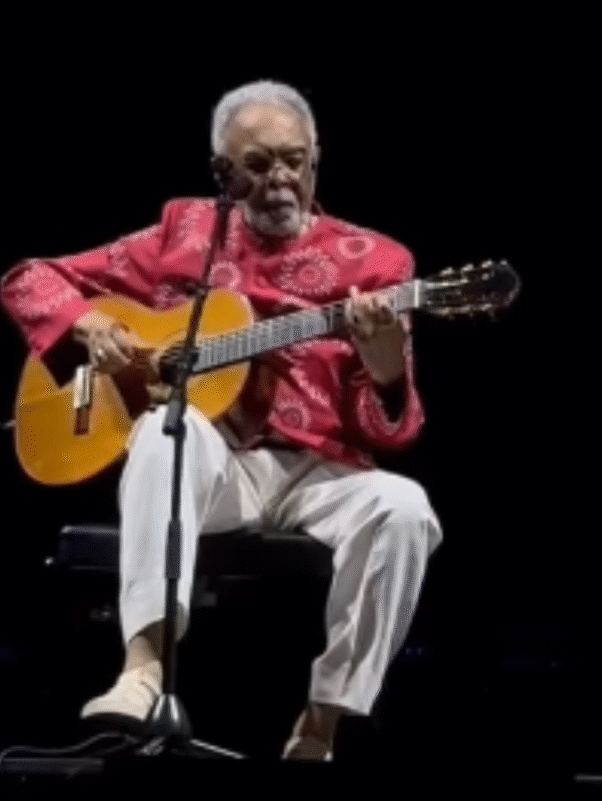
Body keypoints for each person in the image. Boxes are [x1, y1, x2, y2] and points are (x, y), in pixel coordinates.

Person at [0, 79, 443, 761]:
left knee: (407, 508)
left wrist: (386, 370)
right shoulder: (184, 233)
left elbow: (391, 430)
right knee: (164, 428)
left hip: (321, 473)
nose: (280, 181)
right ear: (222, 171)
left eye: (294, 161)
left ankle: (321, 725)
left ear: (316, 160)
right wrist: (87, 326)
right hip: (216, 469)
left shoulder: (377, 264)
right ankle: (142, 670)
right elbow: (28, 279)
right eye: (257, 165)